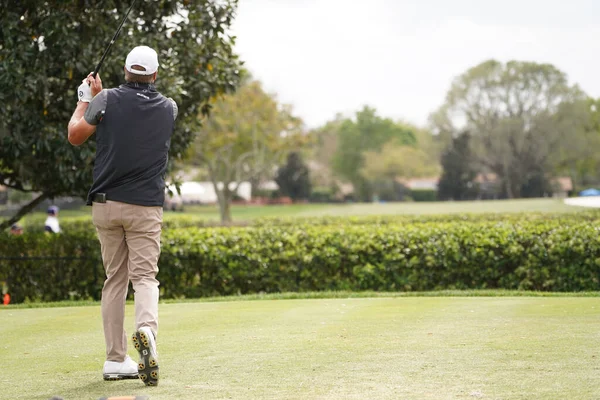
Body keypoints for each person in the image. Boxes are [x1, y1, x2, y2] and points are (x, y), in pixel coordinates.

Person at [66, 45, 178, 387]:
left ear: (126, 70)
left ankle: (115, 360)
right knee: (144, 277)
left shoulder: (106, 100)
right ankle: (146, 330)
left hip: (105, 203)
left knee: (115, 279)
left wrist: (85, 98)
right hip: (145, 205)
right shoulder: (169, 108)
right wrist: (99, 99)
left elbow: (75, 136)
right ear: (155, 75)